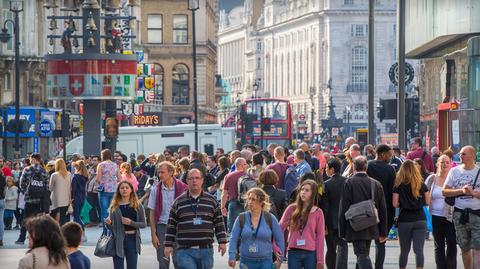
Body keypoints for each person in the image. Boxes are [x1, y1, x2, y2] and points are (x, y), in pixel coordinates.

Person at [164, 169, 228, 269]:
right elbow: (171, 225)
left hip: (206, 250)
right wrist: (168, 244)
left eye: (197, 178)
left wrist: (222, 242)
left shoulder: (211, 201)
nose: (194, 181)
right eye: (191, 178)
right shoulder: (178, 202)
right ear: (187, 181)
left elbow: (219, 223)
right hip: (185, 250)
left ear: (202, 180)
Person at [339, 156, 388, 269]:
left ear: (354, 167)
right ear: (366, 167)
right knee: (364, 252)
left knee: (361, 254)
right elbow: (382, 208)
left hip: (355, 224)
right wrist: (383, 231)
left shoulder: (349, 183)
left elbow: (343, 208)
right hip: (371, 223)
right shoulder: (375, 184)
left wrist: (342, 231)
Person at [442, 145, 480, 269]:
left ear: (472, 156)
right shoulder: (455, 171)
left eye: (463, 154)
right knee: (464, 247)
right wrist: (461, 191)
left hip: (477, 214)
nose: (460, 155)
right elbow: (445, 191)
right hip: (459, 214)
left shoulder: (478, 171)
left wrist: (473, 193)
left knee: (477, 247)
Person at [228, 188, 285, 269]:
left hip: (265, 262)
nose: (250, 202)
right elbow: (233, 238)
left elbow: (280, 239)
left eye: (253, 199)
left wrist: (279, 260)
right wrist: (232, 256)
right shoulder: (241, 218)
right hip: (246, 262)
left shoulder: (270, 218)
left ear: (261, 202)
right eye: (249, 199)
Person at [148, 161, 188, 269]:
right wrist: (153, 234)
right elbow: (152, 213)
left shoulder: (183, 189)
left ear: (171, 173)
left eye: (162, 172)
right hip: (162, 227)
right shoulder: (155, 190)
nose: (160, 175)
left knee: (179, 260)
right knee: (163, 260)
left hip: (180, 227)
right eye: (158, 172)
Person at [279, 180, 326, 269]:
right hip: (293, 252)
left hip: (310, 253)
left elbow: (320, 237)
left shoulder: (318, 212)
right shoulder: (291, 209)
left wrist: (320, 260)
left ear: (313, 194)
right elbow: (280, 228)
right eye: (302, 189)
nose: (303, 192)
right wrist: (278, 247)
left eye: (307, 190)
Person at [393, 160, 430, 269]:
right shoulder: (422, 185)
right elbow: (427, 202)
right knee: (419, 250)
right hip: (420, 219)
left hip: (405, 219)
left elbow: (395, 204)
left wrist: (404, 203)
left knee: (404, 250)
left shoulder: (398, 185)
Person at [366, 144, 397, 269]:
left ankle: (362, 265)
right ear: (383, 154)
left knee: (365, 243)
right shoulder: (390, 169)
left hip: (367, 208)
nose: (391, 157)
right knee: (381, 242)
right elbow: (393, 188)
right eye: (389, 155)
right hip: (386, 209)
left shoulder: (368, 165)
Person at [105, 180, 147, 269]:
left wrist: (131, 222)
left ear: (131, 190)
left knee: (132, 266)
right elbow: (111, 228)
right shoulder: (114, 206)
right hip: (118, 239)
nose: (124, 190)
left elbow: (144, 224)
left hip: (132, 239)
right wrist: (108, 224)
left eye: (127, 187)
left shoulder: (137, 205)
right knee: (118, 266)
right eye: (122, 188)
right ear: (118, 190)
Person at [426, 154, 456, 269]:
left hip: (450, 216)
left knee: (452, 243)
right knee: (439, 245)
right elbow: (425, 195)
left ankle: (451, 266)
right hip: (435, 216)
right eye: (442, 162)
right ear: (438, 163)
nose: (445, 164)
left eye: (447, 162)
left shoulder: (454, 178)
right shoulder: (431, 178)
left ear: (451, 164)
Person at [16, 153, 50, 245]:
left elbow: (21, 184)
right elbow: (47, 187)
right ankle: (38, 239)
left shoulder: (27, 169)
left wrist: (25, 192)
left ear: (34, 159)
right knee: (38, 220)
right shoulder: (44, 171)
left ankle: (21, 238)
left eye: (30, 159)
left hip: (29, 199)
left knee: (25, 219)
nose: (30, 161)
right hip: (40, 201)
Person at [324, 158, 348, 269]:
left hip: (330, 221)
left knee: (330, 248)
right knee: (343, 246)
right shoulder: (347, 181)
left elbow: (325, 205)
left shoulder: (326, 184)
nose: (325, 170)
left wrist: (323, 223)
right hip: (345, 219)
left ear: (332, 169)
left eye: (326, 168)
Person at [96, 149, 122, 233]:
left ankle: (105, 231)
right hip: (114, 190)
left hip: (104, 190)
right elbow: (120, 179)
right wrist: (112, 181)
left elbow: (98, 179)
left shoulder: (101, 165)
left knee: (104, 211)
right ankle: (112, 230)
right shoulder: (115, 165)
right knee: (112, 210)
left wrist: (103, 181)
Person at [221, 157, 248, 232]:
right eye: (245, 164)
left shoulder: (228, 176)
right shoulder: (248, 176)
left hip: (233, 203)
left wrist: (222, 207)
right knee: (246, 227)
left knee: (233, 229)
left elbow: (224, 193)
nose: (246, 166)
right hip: (246, 204)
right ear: (241, 165)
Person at [49, 158, 72, 226]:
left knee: (55, 216)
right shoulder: (69, 174)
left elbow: (50, 188)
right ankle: (65, 231)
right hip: (66, 198)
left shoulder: (54, 175)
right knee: (65, 217)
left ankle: (58, 231)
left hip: (56, 199)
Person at [72, 160, 89, 238]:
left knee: (76, 216)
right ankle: (78, 234)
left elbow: (74, 189)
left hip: (76, 198)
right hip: (82, 198)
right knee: (77, 216)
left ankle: (82, 233)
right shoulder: (85, 176)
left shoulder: (75, 177)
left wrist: (71, 198)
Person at [86, 156, 101, 227]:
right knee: (91, 206)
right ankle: (93, 220)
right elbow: (87, 179)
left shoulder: (101, 169)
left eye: (95, 160)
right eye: (92, 160)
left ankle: (101, 220)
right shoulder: (90, 169)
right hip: (90, 190)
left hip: (98, 190)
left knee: (99, 206)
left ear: (99, 161)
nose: (93, 161)